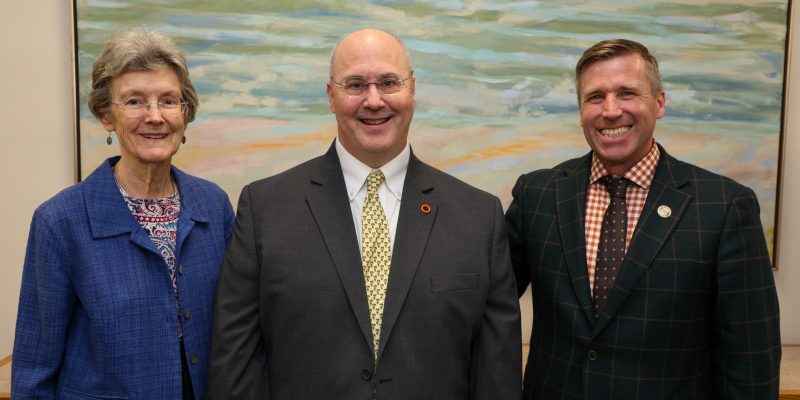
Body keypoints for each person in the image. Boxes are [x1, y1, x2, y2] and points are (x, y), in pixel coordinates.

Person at [209, 28, 521, 399]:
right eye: (355, 85)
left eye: (389, 83)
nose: (374, 101)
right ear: (331, 96)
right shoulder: (264, 209)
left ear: (412, 89)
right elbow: (236, 366)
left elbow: (497, 375)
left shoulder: (479, 217)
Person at [506, 38, 781, 399]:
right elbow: (482, 300)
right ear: (581, 109)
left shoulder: (724, 206)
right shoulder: (537, 195)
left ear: (659, 103)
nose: (610, 110)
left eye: (627, 93)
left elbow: (751, 356)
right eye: (595, 97)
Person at [12, 27, 234, 399]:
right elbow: (34, 371)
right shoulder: (60, 221)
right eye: (134, 101)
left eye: (168, 101)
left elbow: (236, 333)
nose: (155, 116)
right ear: (106, 115)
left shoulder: (214, 205)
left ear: (185, 113)